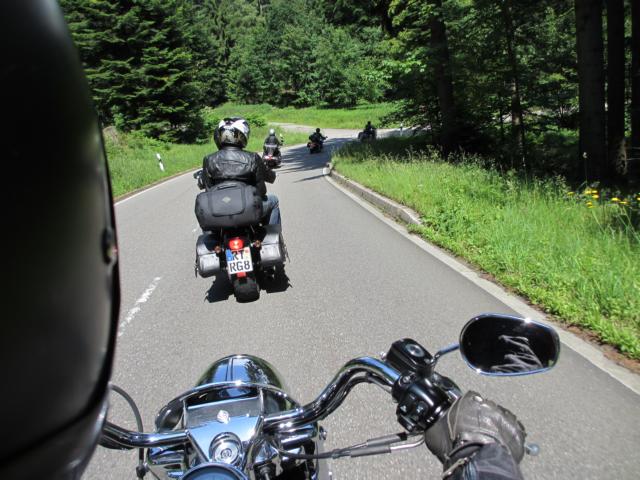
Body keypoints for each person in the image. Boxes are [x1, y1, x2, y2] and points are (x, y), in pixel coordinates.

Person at [1, 2, 525, 478]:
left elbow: (203, 185)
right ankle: (278, 256)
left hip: (221, 233)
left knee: (213, 229)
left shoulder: (210, 161)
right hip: (252, 228)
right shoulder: (253, 157)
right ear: (245, 139)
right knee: (274, 208)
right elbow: (265, 183)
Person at [202, 118, 280, 226]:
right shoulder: (252, 158)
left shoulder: (209, 159)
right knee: (274, 200)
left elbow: (208, 190)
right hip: (249, 209)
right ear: (242, 135)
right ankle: (272, 232)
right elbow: (261, 191)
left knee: (207, 213)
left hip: (219, 210)